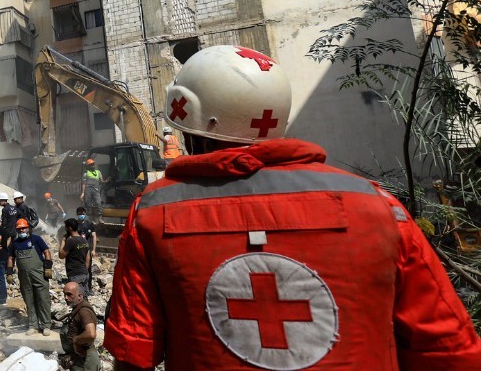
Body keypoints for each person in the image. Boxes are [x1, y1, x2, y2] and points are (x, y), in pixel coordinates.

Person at [105, 45, 481, 370]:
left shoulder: (154, 212)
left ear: (191, 126)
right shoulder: (377, 205)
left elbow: (133, 351)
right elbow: (449, 348)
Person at [8, 218, 52, 335]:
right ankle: (33, 325)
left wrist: (48, 267)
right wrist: (9, 273)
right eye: (20, 229)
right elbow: (11, 258)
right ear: (17, 230)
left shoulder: (36, 239)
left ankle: (46, 325)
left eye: (24, 228)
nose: (22, 230)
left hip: (39, 275)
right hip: (24, 277)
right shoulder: (15, 243)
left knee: (43, 299)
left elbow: (46, 251)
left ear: (28, 228)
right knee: (29, 300)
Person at [59, 282, 99, 371]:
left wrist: (76, 341)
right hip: (79, 358)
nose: (65, 298)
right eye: (64, 294)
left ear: (80, 296)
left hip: (85, 361)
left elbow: (91, 334)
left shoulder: (84, 312)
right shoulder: (77, 309)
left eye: (69, 294)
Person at [59, 219, 90, 295]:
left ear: (69, 228)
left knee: (76, 299)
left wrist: (63, 241)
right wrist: (84, 270)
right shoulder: (84, 240)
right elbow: (88, 258)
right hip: (85, 273)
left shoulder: (71, 241)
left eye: (66, 227)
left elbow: (61, 255)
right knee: (84, 297)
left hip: (75, 274)